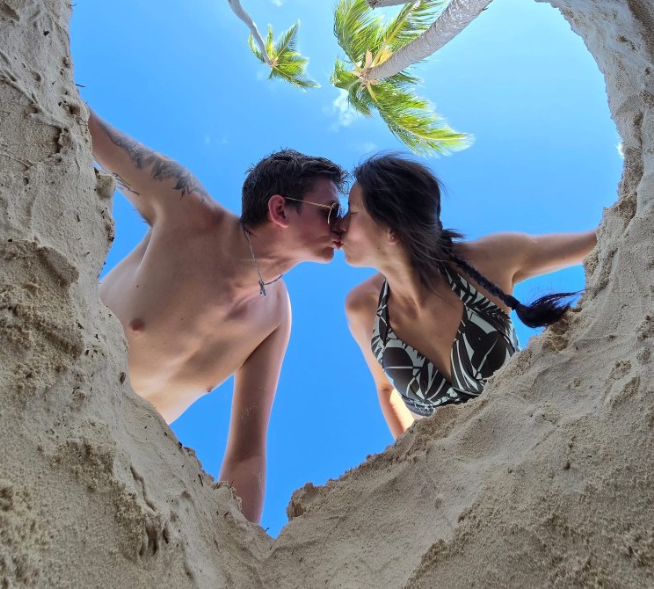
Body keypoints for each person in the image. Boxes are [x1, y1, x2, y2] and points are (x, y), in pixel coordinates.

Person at [87, 109, 346, 521]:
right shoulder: (184, 207)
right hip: (57, 379)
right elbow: (88, 128)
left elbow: (247, 452)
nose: (342, 225)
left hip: (111, 452)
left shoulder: (275, 317)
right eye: (330, 211)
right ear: (280, 210)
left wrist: (240, 545)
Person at [341, 153, 597, 439]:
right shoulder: (362, 308)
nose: (339, 225)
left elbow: (598, 239)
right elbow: (385, 389)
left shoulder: (487, 260)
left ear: (392, 229)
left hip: (536, 435)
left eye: (352, 212)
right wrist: (411, 456)